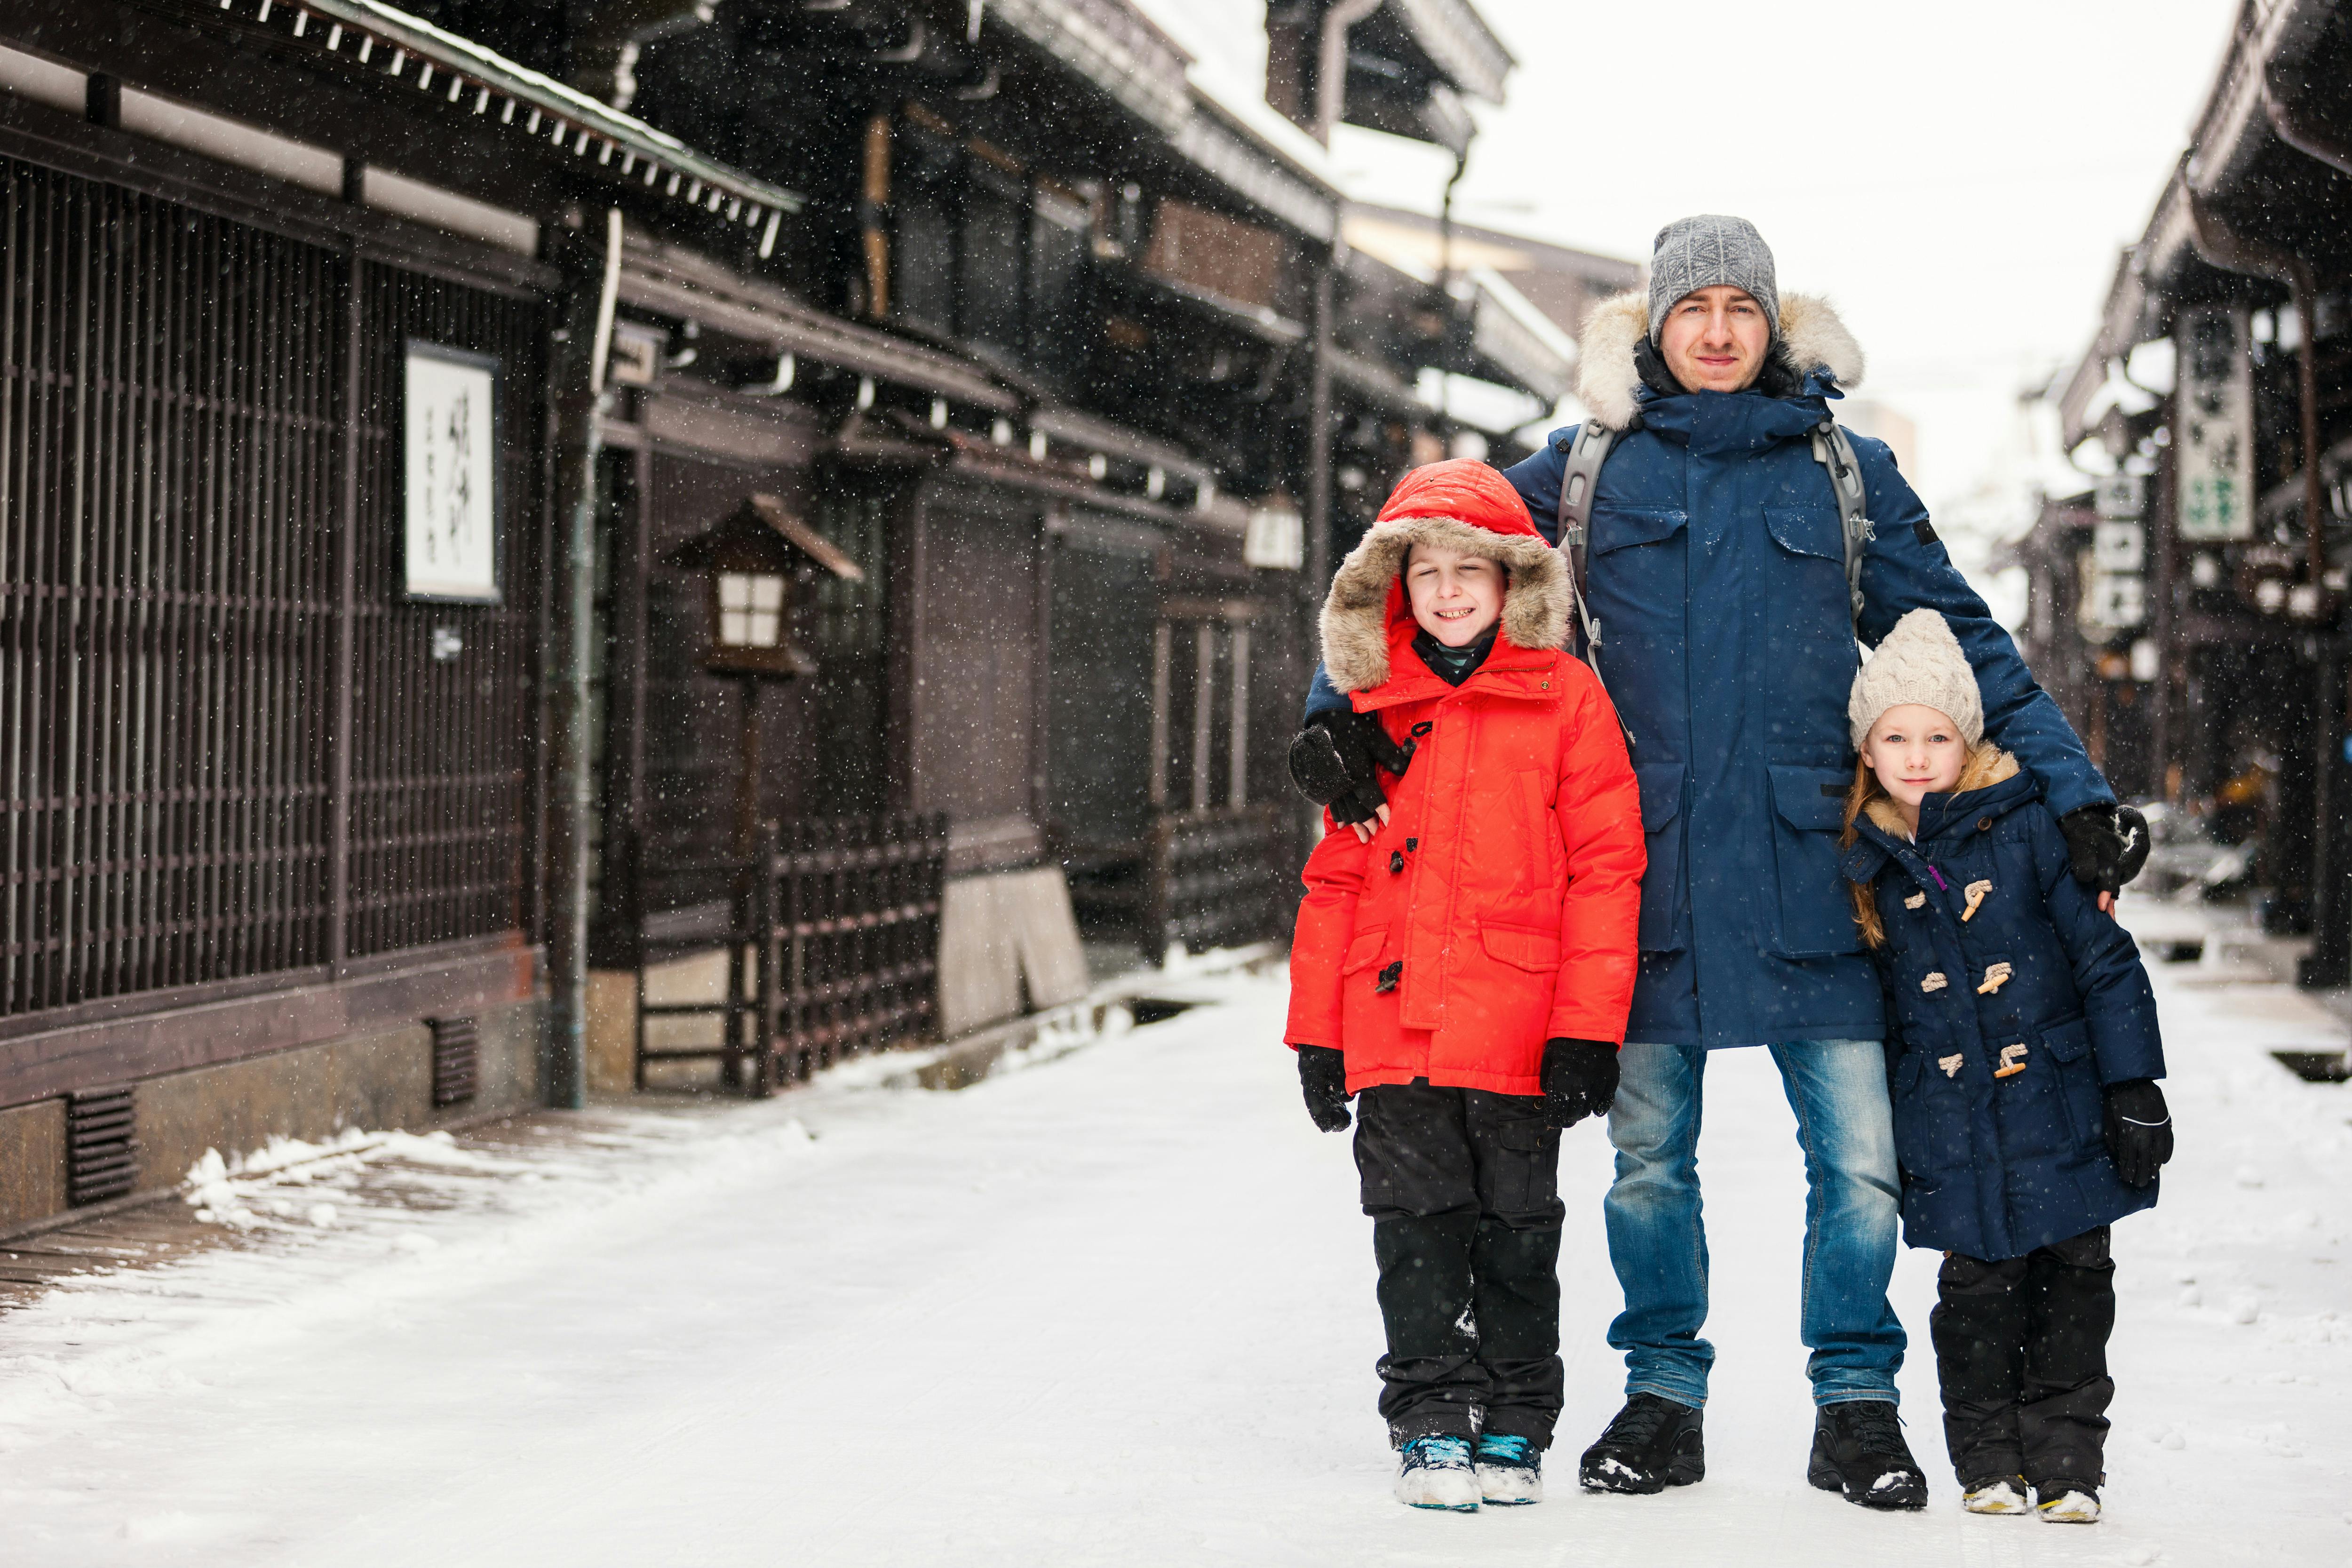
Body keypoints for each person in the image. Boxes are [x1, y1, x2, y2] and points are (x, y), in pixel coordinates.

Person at [1287, 215, 2150, 1510]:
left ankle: (1855, 1402)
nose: (1717, 331)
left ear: (1773, 325)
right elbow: (1422, 556)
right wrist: (1334, 713)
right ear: (1654, 325)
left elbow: (1961, 634)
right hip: (1643, 882)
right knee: (1649, 1159)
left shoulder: (1843, 472)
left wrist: (2074, 789)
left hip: (1820, 876)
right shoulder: (1582, 472)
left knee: (1857, 1158)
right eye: (1694, 309)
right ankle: (1662, 1395)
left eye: (1742, 309)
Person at [1284, 459, 1645, 1512]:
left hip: (1520, 1021)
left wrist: (1587, 1026)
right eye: (1425, 572)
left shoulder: (1566, 697)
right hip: (1392, 1019)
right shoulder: (1366, 711)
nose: (1447, 592)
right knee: (1413, 1224)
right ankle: (1431, 1415)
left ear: (1513, 582)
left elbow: (1605, 865)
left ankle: (1519, 1416)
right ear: (1395, 585)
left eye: (1470, 571)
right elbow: (1335, 873)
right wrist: (1318, 1033)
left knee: (1518, 1231)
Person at [1841, 609, 2172, 1525]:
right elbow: (1873, 1010)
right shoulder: (1868, 861)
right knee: (1976, 1292)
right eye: (1894, 736)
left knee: (2072, 1282)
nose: (1915, 754)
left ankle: (2068, 1458)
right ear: (1867, 746)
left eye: (1936, 734)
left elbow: (2103, 957)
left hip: (2058, 1100)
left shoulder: (2030, 823)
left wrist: (2132, 1083)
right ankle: (1986, 1455)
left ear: (1968, 737)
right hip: (1948, 1117)